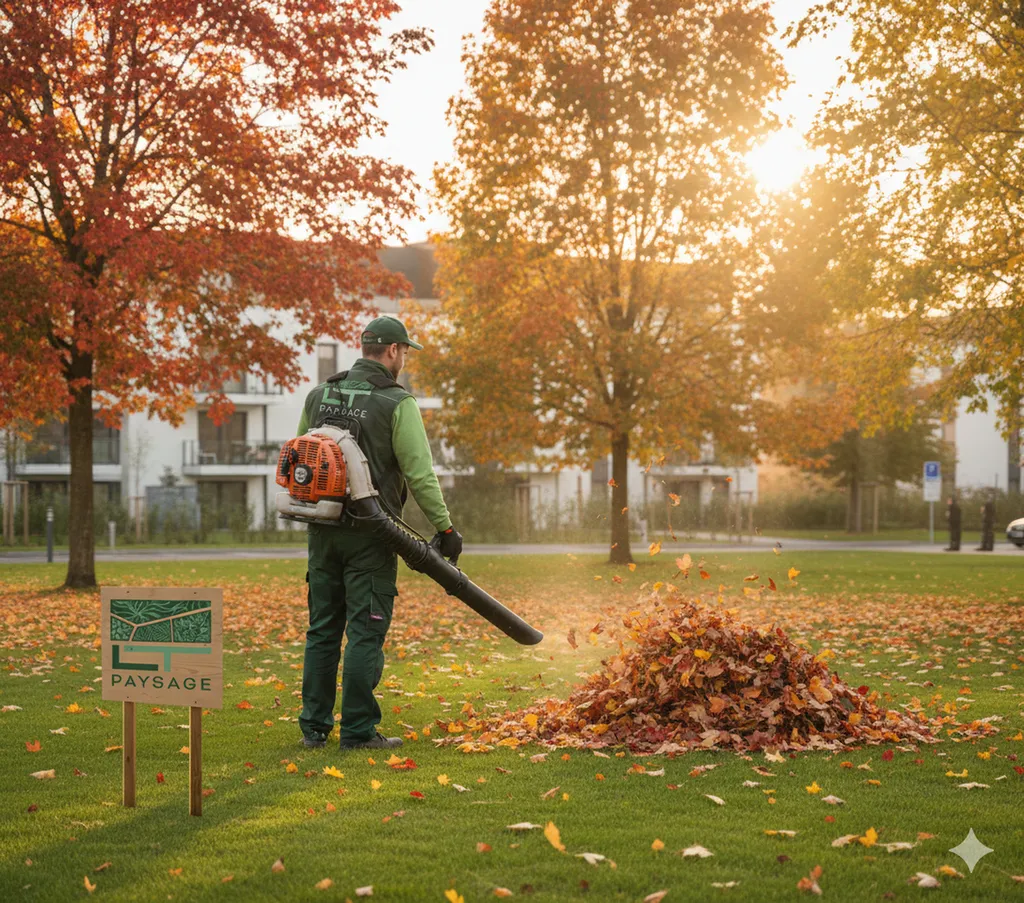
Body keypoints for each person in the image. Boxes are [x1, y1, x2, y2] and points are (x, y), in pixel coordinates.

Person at [295, 315, 463, 750]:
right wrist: (444, 527)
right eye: (405, 351)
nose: (404, 358)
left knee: (323, 629)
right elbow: (420, 474)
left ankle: (313, 728)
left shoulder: (319, 395)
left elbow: (302, 455)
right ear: (392, 351)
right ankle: (357, 730)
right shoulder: (397, 402)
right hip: (372, 537)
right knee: (365, 631)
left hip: (322, 531)